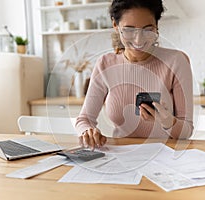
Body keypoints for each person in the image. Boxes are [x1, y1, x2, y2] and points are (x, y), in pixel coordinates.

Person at [75, 0, 194, 150]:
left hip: (166, 157)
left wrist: (167, 121)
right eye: (129, 30)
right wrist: (88, 131)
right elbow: (84, 119)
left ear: (157, 26)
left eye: (147, 29)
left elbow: (186, 131)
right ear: (115, 25)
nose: (138, 40)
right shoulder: (105, 64)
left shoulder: (176, 61)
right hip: (120, 157)